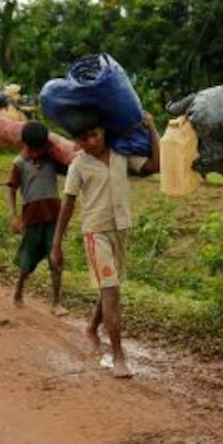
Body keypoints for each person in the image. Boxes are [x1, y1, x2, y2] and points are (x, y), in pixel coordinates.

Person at [51, 109, 160, 378]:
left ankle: (91, 328)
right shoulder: (79, 164)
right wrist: (56, 244)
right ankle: (119, 356)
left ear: (104, 133)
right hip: (95, 232)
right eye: (84, 138)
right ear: (78, 140)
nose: (90, 142)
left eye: (94, 135)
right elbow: (68, 203)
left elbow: (154, 167)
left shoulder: (121, 154)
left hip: (121, 229)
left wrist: (152, 129)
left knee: (110, 287)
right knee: (111, 292)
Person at [8, 121, 68, 315]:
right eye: (32, 149)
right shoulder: (19, 164)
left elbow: (70, 166)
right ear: (25, 145)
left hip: (53, 217)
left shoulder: (52, 159)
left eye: (40, 148)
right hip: (32, 219)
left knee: (56, 260)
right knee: (27, 261)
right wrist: (13, 216)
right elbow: (11, 189)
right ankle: (18, 290)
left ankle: (56, 302)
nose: (36, 152)